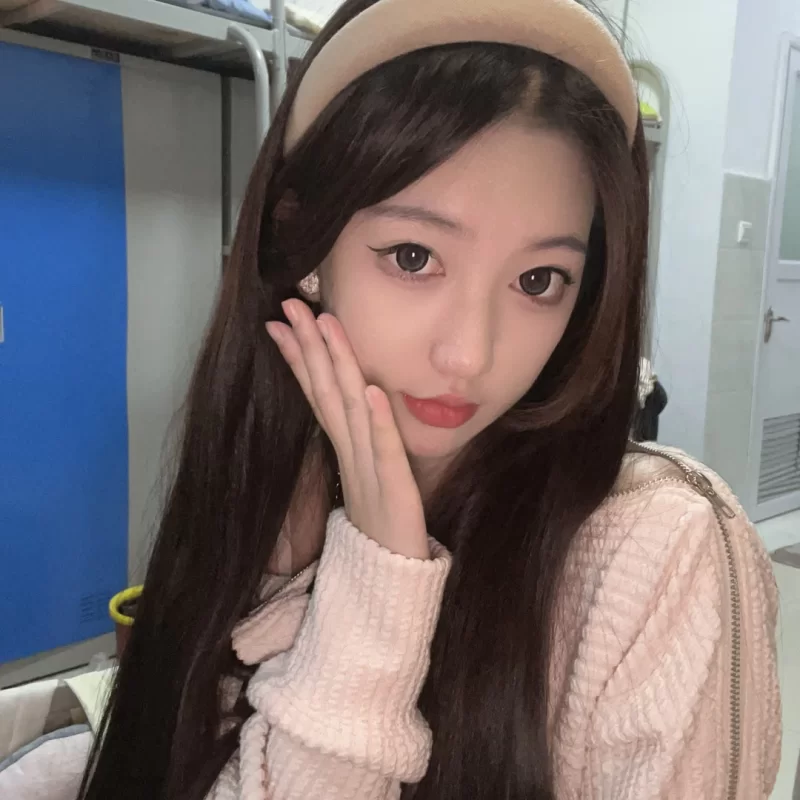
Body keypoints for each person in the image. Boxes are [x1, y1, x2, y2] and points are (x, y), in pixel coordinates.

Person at [77, 0, 781, 798]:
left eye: (538, 280)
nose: (469, 355)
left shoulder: (659, 552)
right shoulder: (272, 487)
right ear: (304, 243)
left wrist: (379, 584)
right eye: (413, 257)